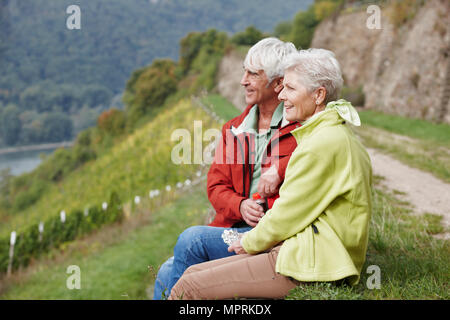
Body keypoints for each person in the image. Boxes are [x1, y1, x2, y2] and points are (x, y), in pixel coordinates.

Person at [168, 48, 373, 300]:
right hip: (310, 250)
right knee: (190, 275)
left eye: (290, 88)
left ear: (319, 94)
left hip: (314, 260)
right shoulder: (328, 135)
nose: (282, 94)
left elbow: (288, 212)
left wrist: (249, 243)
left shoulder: (322, 143)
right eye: (282, 86)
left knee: (188, 288)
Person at [153, 38, 299, 299]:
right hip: (235, 227)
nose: (243, 80)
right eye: (244, 71)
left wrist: (279, 167)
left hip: (273, 235)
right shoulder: (234, 129)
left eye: (253, 74)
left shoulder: (301, 129)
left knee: (192, 240)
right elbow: (216, 185)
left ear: (278, 83)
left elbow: (321, 152)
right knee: (165, 271)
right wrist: (240, 205)